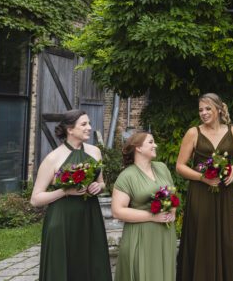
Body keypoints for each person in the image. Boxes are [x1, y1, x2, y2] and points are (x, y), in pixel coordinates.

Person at [31, 109, 111, 281]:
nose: (89, 127)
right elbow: (35, 199)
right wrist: (65, 191)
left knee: (92, 263)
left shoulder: (95, 152)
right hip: (63, 220)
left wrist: (99, 186)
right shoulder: (53, 158)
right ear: (70, 129)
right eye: (84, 124)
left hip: (90, 217)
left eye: (89, 123)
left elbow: (102, 183)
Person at [176, 93, 233, 281]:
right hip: (201, 193)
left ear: (219, 109)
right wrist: (202, 178)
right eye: (200, 110)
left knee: (226, 240)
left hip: (224, 192)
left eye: (208, 109)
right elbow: (180, 166)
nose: (204, 113)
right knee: (202, 239)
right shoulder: (193, 133)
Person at [111, 131, 176, 281]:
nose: (155, 145)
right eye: (151, 142)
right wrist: (153, 217)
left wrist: (172, 211)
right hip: (141, 235)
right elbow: (117, 211)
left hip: (165, 233)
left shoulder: (161, 168)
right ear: (138, 148)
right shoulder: (127, 176)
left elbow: (173, 195)